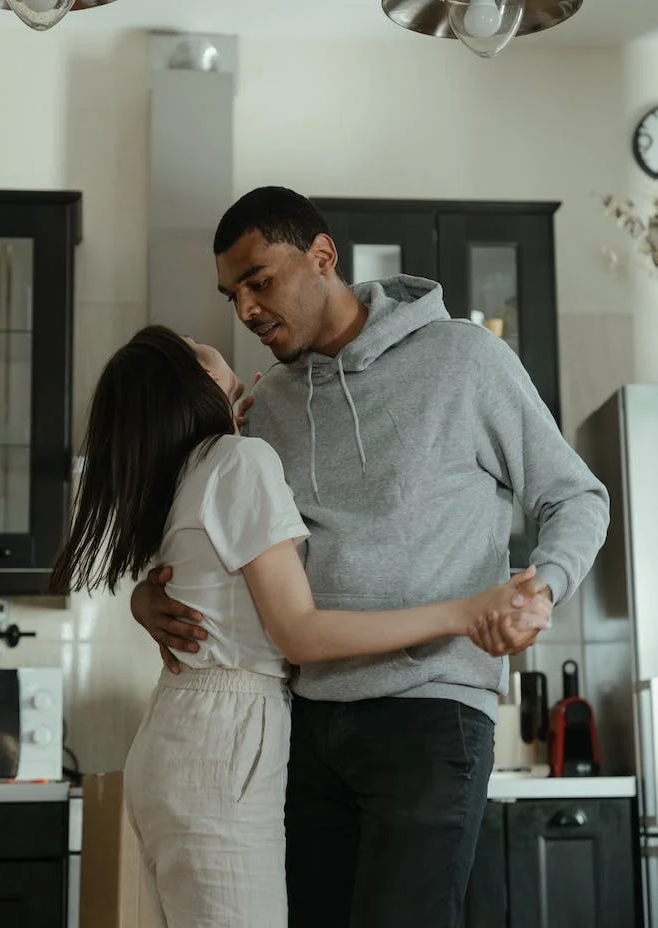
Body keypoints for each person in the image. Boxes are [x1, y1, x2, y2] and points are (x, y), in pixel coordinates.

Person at [131, 188, 610, 928]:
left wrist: (540, 589)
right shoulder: (269, 406)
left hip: (430, 713)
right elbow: (216, 526)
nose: (247, 310)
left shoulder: (465, 360)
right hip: (307, 726)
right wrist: (145, 593)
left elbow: (575, 496)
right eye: (233, 294)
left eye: (259, 281)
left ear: (322, 257)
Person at [49, 324, 550, 928]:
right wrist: (464, 611)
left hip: (176, 736)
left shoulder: (183, 474)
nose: (223, 339)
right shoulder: (238, 460)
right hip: (226, 741)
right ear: (187, 384)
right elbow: (301, 634)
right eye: (199, 350)